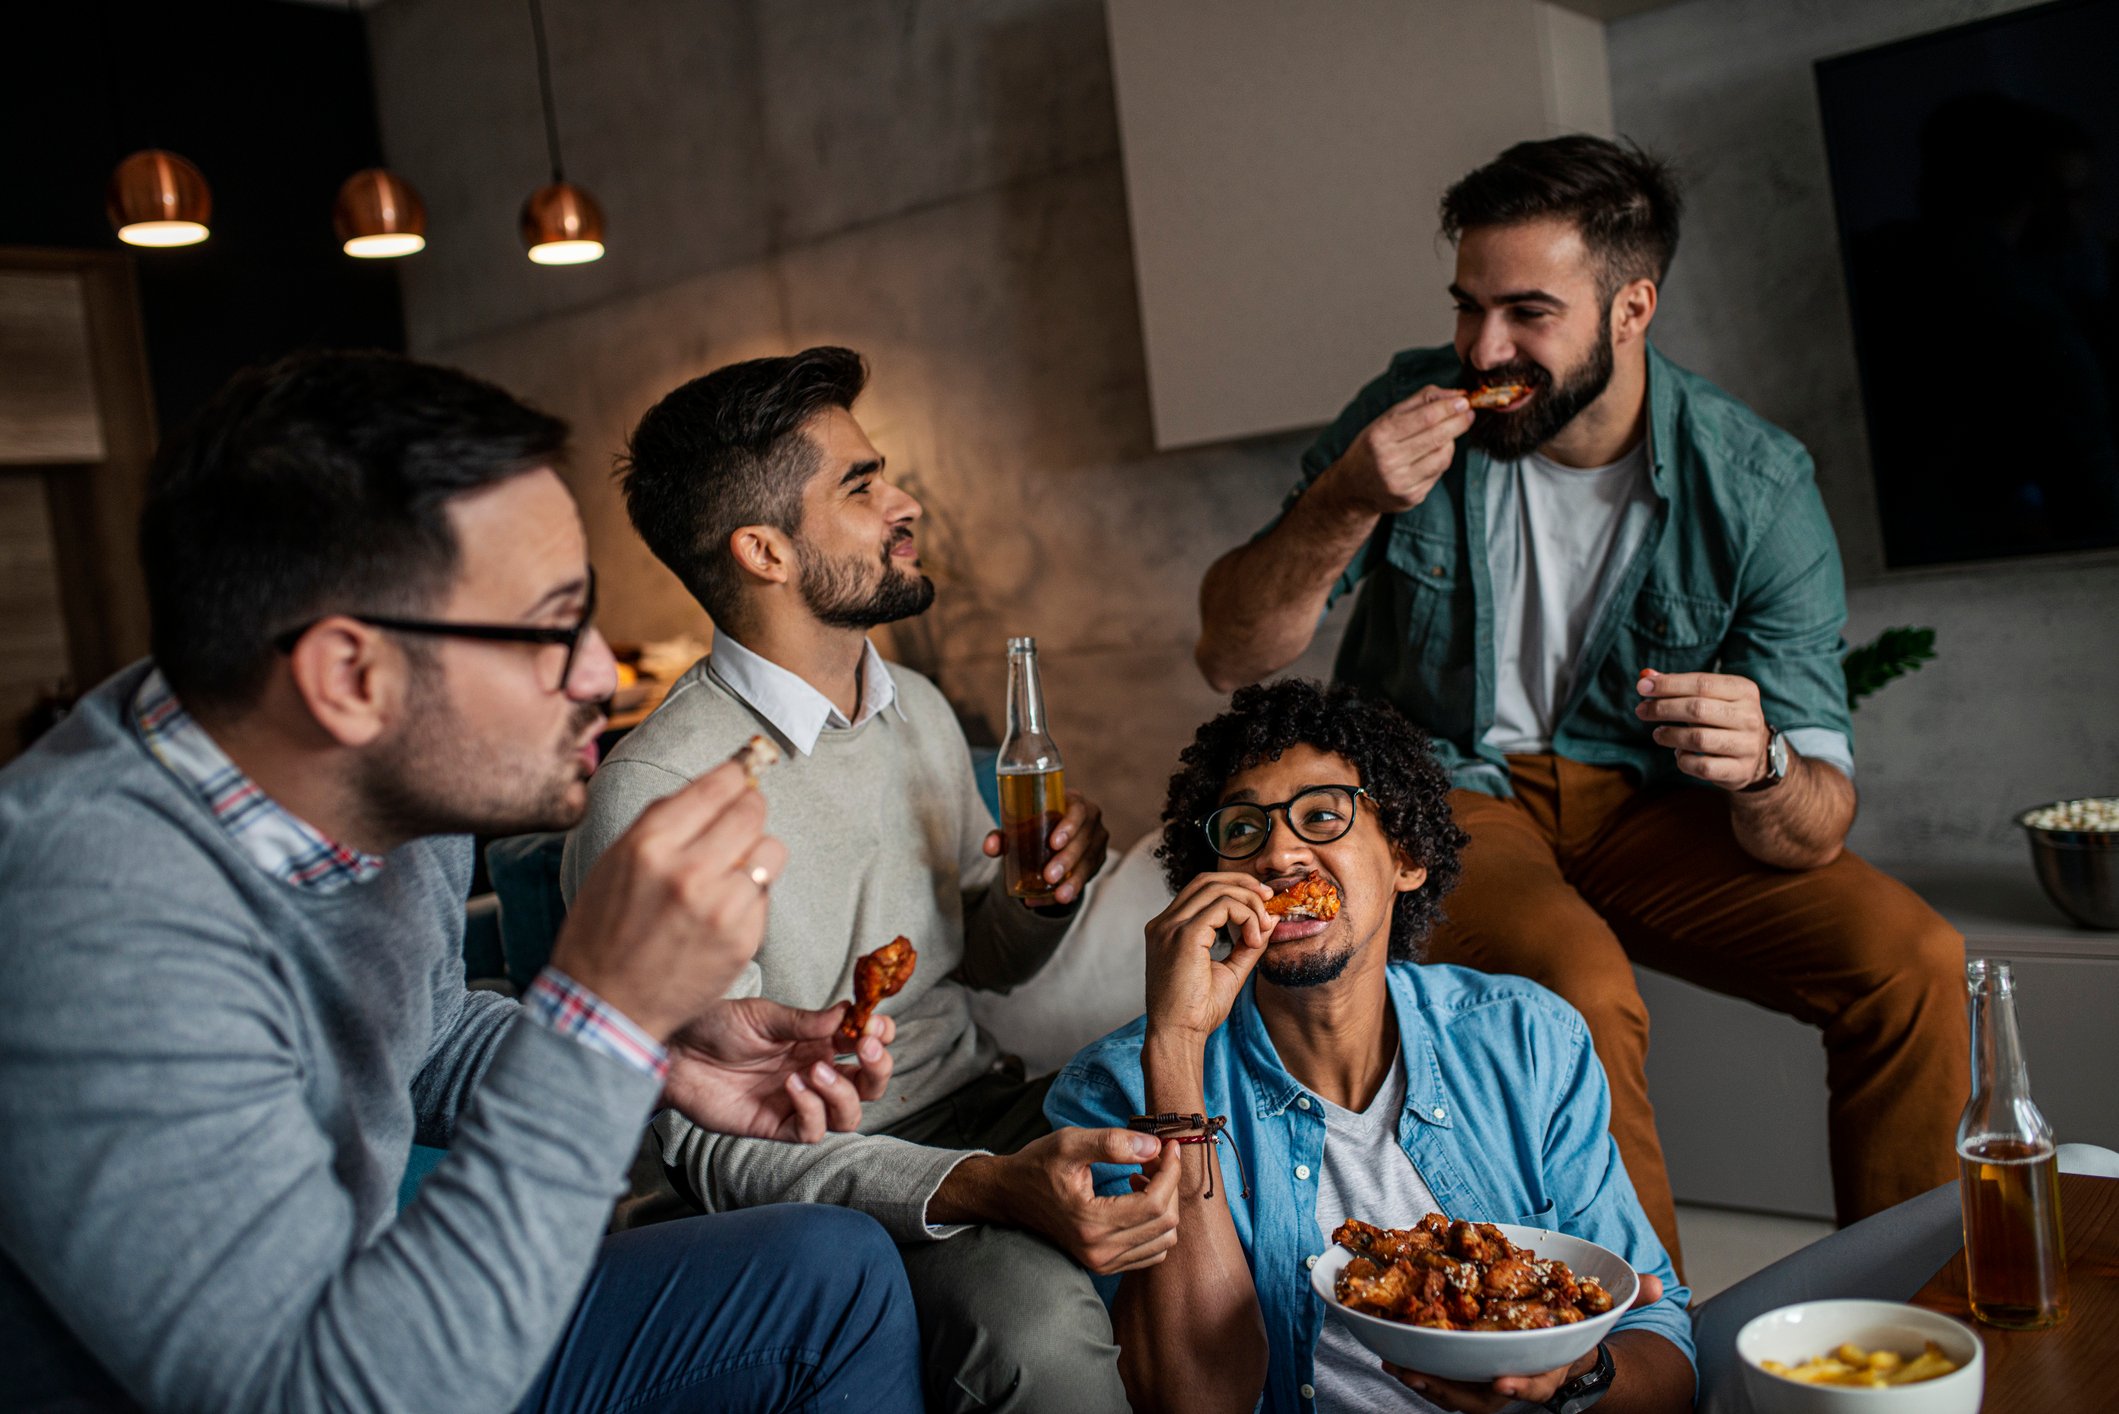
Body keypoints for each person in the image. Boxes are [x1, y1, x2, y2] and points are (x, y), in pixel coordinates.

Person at [0, 351, 923, 1413]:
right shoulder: (87, 925)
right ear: (351, 676)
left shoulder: (384, 782)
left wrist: (657, 1054)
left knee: (831, 1274)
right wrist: (600, 1013)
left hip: (389, 1305)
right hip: (327, 1379)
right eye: (549, 627)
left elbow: (423, 1030)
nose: (597, 674)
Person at [1193, 134, 1967, 1261]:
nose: (1480, 347)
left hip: (1654, 805)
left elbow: (1814, 822)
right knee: (1577, 986)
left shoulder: (1753, 485)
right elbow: (1228, 650)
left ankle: (1907, 1328)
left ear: (1630, 307)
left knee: (1914, 961)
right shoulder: (1409, 409)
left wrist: (1760, 767)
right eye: (1466, 307)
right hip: (1457, 789)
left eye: (1525, 313)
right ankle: (1649, 1357)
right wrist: (1348, 498)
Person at [562, 347, 1175, 1413]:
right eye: (861, 485)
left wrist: (1039, 897)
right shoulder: (659, 792)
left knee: (1219, 1132)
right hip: (839, 1181)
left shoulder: (920, 710)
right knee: (1030, 1326)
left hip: (984, 1100)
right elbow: (719, 1150)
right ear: (764, 550)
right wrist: (982, 1183)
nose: (905, 503)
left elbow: (979, 958)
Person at [1046, 678, 1695, 1414]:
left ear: (1407, 857)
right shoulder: (1112, 1092)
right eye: (1241, 831)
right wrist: (1173, 1046)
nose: (1278, 854)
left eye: (1321, 816)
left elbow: (1659, 1342)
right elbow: (1196, 1400)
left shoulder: (1528, 1041)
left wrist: (1572, 1377)